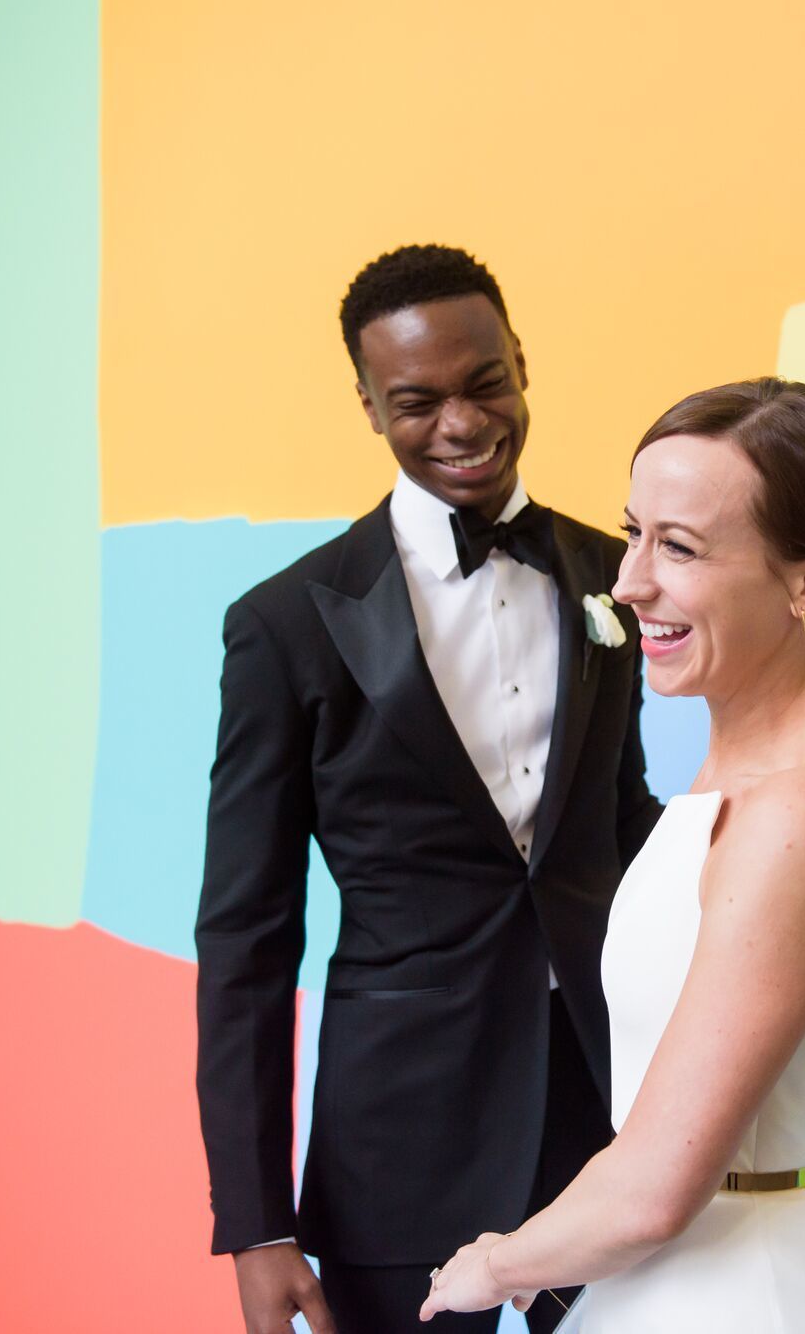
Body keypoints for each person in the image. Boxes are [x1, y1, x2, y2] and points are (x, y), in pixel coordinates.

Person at [194, 244, 664, 1334]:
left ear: (521, 365)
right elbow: (247, 939)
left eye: (483, 382)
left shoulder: (617, 575)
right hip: (399, 1135)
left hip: (605, 1116)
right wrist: (256, 1222)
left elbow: (624, 821)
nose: (460, 422)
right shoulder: (285, 625)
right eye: (416, 400)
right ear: (367, 406)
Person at [420, 378, 805, 1331]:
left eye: (680, 547)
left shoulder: (797, 814)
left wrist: (491, 1264)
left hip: (736, 1288)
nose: (628, 583)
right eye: (634, 533)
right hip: (784, 1240)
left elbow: (654, 1195)